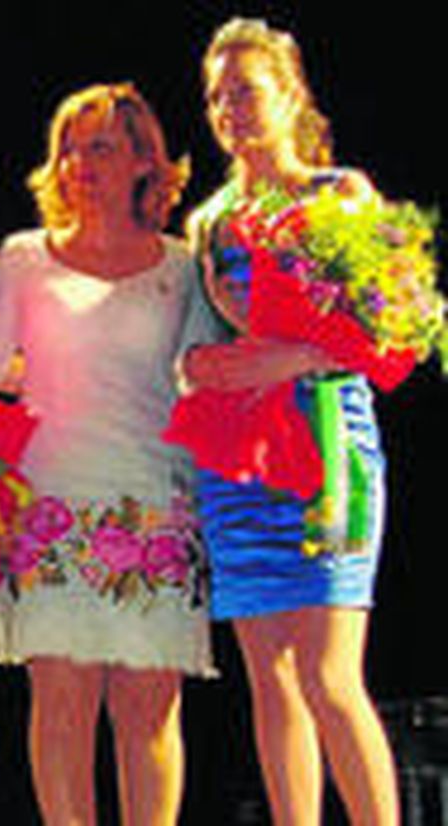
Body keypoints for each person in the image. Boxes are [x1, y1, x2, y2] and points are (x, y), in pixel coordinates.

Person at [179, 18, 400, 825]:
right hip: (238, 465)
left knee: (331, 677)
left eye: (244, 89)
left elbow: (390, 331)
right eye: (215, 95)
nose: (228, 107)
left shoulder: (340, 194)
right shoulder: (208, 222)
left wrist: (294, 359)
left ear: (289, 92)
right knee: (269, 680)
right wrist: (201, 366)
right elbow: (192, 353)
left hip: (330, 447)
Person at [0, 84, 212, 826]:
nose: (81, 163)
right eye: (69, 148)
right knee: (61, 716)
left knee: (147, 720)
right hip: (49, 514)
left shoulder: (184, 266)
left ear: (146, 161)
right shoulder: (21, 258)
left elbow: (204, 380)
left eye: (101, 147)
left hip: (158, 510)